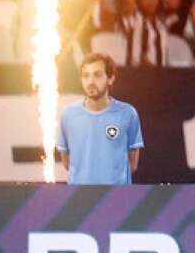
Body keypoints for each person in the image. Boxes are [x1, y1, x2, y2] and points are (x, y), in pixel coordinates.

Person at [57, 52, 144, 185]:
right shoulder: (68, 115)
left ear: (110, 78)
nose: (90, 81)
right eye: (86, 76)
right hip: (78, 199)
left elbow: (132, 164)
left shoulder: (127, 114)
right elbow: (67, 163)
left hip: (117, 199)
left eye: (97, 75)